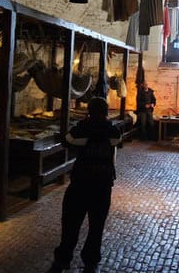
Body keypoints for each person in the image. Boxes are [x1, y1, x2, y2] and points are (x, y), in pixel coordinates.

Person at [52, 97, 122, 273]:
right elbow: (116, 141)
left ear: (89, 111)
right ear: (106, 112)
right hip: (102, 185)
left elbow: (67, 141)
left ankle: (63, 259)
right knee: (96, 226)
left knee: (71, 224)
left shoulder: (82, 129)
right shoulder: (111, 130)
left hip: (81, 183)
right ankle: (90, 261)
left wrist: (81, 125)